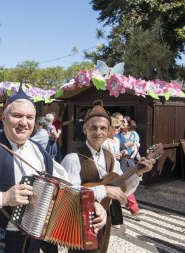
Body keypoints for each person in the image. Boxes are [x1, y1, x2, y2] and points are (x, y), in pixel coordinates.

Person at [0, 85, 107, 253]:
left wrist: (92, 204)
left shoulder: (38, 150)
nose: (24, 122)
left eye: (29, 117)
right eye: (17, 115)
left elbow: (67, 184)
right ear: (4, 117)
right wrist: (4, 197)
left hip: (34, 239)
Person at [61, 101, 155, 253]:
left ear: (108, 130)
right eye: (93, 127)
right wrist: (103, 190)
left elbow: (121, 188)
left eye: (103, 128)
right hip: (80, 223)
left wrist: (138, 172)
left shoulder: (110, 157)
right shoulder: (72, 158)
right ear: (85, 129)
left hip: (105, 218)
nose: (98, 132)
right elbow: (66, 195)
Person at [113, 113, 144, 216]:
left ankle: (133, 208)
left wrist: (126, 151)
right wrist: (124, 146)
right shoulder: (115, 134)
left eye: (123, 121)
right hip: (114, 165)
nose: (121, 123)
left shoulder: (132, 134)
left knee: (126, 183)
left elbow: (134, 147)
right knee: (121, 185)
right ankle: (133, 208)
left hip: (126, 162)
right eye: (120, 121)